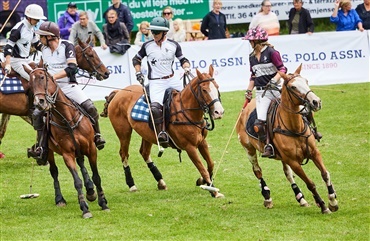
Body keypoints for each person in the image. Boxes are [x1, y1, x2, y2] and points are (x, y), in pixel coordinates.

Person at [28, 21, 106, 164]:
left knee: (91, 108)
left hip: (68, 86)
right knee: (37, 114)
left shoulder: (67, 46)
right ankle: (41, 147)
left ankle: (98, 136)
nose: (40, 39)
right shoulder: (44, 49)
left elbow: (72, 68)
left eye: (42, 36)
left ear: (50, 37)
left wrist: (52, 77)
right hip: (50, 90)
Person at [132, 17, 191, 145]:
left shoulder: (173, 45)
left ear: (164, 32)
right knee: (155, 108)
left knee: (189, 98)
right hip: (156, 82)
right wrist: (138, 72)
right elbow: (136, 60)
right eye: (152, 32)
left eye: (157, 32)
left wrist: (186, 67)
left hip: (172, 79)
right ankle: (161, 133)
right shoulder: (147, 46)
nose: (154, 34)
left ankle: (197, 124)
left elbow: (183, 60)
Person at [243, 27, 287, 158]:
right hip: (262, 94)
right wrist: (249, 90)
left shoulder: (272, 52)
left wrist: (274, 80)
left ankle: (312, 131)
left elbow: (282, 69)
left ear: (257, 41)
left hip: (276, 90)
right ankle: (268, 146)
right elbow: (253, 76)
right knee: (260, 123)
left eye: (251, 40)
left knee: (299, 108)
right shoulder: (251, 57)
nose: (249, 43)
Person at [3, 4, 46, 80]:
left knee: (43, 73)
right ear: (29, 18)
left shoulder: (31, 28)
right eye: (36, 19)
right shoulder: (18, 29)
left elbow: (37, 44)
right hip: (16, 61)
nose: (38, 21)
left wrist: (48, 50)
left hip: (27, 59)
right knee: (35, 79)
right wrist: (8, 64)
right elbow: (8, 48)